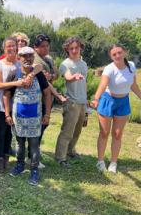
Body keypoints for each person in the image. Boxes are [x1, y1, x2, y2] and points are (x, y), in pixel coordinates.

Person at [3, 46, 52, 185]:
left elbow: (47, 94)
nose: (28, 58)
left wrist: (47, 114)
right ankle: (19, 165)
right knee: (19, 143)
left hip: (35, 117)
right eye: (24, 56)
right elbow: (6, 95)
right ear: (19, 58)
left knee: (34, 144)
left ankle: (34, 170)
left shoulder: (39, 74)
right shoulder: (14, 74)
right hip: (18, 117)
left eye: (30, 55)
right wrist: (7, 114)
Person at [91, 44, 141, 173]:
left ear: (124, 52)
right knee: (104, 132)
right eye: (114, 54)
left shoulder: (131, 66)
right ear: (111, 56)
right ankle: (100, 161)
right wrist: (96, 98)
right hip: (108, 100)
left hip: (123, 102)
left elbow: (133, 85)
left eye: (119, 52)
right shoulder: (109, 69)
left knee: (117, 134)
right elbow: (103, 85)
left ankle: (113, 162)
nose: (117, 56)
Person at [0, 37, 32, 172]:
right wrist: (16, 83)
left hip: (15, 104)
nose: (12, 48)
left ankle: (6, 155)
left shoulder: (20, 64)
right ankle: (0, 158)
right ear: (4, 48)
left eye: (13, 46)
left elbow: (34, 69)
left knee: (9, 132)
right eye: (8, 46)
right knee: (1, 131)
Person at [33, 34, 66, 168]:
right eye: (42, 46)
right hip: (38, 98)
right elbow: (44, 81)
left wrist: (51, 75)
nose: (46, 48)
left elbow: (56, 74)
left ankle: (35, 151)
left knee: (43, 125)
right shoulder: (35, 60)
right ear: (35, 47)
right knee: (38, 127)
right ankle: (33, 156)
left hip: (48, 98)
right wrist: (58, 95)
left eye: (47, 45)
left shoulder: (49, 59)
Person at [55, 37, 88, 167]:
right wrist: (74, 77)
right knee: (67, 131)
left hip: (82, 102)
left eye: (76, 47)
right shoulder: (65, 64)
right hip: (71, 103)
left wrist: (86, 101)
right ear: (67, 50)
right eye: (71, 48)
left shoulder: (83, 64)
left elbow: (84, 84)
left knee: (77, 130)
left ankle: (70, 151)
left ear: (80, 48)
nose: (74, 50)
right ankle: (60, 157)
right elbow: (68, 77)